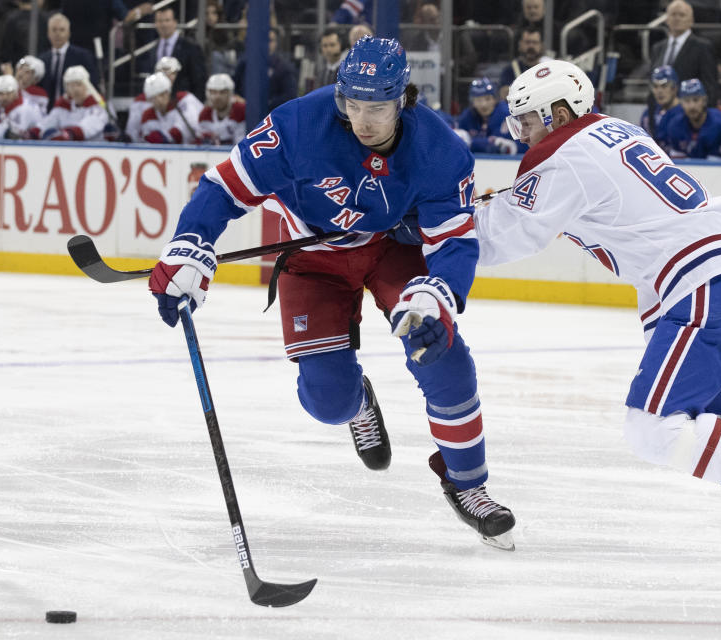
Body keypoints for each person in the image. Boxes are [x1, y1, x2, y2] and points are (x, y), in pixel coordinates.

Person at [475, 59, 721, 559]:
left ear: (557, 112)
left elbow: (507, 233)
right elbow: (645, 240)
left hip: (709, 284)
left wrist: (427, 232)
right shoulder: (616, 132)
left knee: (652, 428)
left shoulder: (564, 154)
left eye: (526, 119)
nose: (521, 132)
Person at [146, 36, 517, 549]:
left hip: (390, 249)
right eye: (353, 104)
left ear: (404, 98)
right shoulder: (296, 126)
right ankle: (358, 404)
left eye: (378, 107)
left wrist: (438, 296)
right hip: (313, 260)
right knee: (327, 401)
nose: (363, 120)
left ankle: (468, 485)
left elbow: (454, 242)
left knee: (439, 351)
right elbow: (224, 188)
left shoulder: (440, 149)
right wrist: (190, 243)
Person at [648, 0, 719, 106]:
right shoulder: (657, 48)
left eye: (682, 15)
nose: (677, 18)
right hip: (660, 114)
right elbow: (653, 84)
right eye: (673, 14)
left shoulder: (703, 47)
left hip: (690, 114)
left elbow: (710, 87)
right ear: (667, 19)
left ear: (691, 20)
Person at [125, 57, 203, 143]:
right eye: (163, 72)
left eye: (172, 73)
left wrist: (164, 137)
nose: (167, 75)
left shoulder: (185, 100)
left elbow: (189, 130)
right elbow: (133, 133)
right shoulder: (140, 103)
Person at [655, 78, 721, 159]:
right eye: (687, 101)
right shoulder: (675, 126)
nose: (692, 106)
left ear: (704, 101)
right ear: (681, 103)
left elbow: (719, 167)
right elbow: (679, 163)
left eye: (696, 100)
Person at [38, 13, 101, 110]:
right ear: (48, 33)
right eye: (54, 30)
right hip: (47, 111)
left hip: (75, 110)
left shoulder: (82, 56)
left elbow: (92, 83)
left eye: (62, 30)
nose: (57, 34)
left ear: (69, 33)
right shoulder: (42, 60)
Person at [29, 65, 109, 141]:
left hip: (92, 150)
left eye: (78, 84)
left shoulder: (97, 105)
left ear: (87, 85)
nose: (75, 89)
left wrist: (67, 134)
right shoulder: (63, 105)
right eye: (70, 85)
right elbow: (48, 122)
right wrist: (34, 132)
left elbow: (88, 128)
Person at [143, 6, 208, 100]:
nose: (164, 24)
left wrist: (196, 106)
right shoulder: (153, 48)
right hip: (160, 107)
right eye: (160, 21)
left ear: (175, 22)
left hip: (185, 104)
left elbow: (199, 80)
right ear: (155, 23)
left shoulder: (190, 47)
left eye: (167, 20)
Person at [455, 77, 526, 155]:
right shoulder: (467, 116)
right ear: (472, 102)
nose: (483, 105)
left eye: (488, 99)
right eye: (478, 100)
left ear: (495, 99)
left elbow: (522, 144)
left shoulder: (507, 114)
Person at [233, 28, 297, 113]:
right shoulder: (244, 62)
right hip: (244, 114)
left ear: (276, 43)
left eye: (270, 40)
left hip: (271, 115)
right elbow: (234, 86)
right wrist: (239, 99)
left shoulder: (283, 67)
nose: (266, 43)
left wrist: (265, 104)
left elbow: (289, 96)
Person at [139, 72, 198, 143]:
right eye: (153, 98)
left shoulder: (184, 101)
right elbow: (146, 140)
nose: (158, 100)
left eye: (161, 95)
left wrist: (161, 137)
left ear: (168, 93)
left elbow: (179, 134)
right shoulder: (147, 115)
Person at [0, 74, 42, 139]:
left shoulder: (25, 108)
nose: (4, 97)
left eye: (8, 93)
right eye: (0, 93)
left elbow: (16, 136)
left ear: (15, 93)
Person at [498, 26, 551, 101]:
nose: (531, 46)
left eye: (535, 42)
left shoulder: (549, 68)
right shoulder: (510, 69)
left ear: (541, 46)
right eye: (527, 42)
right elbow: (504, 95)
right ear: (520, 45)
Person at [198, 73, 246, 145]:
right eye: (214, 92)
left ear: (230, 93)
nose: (218, 97)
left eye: (222, 92)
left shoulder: (241, 111)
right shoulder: (204, 115)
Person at [640, 65, 680, 138]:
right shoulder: (648, 114)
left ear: (675, 88)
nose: (659, 91)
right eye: (655, 86)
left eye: (664, 86)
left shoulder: (686, 115)